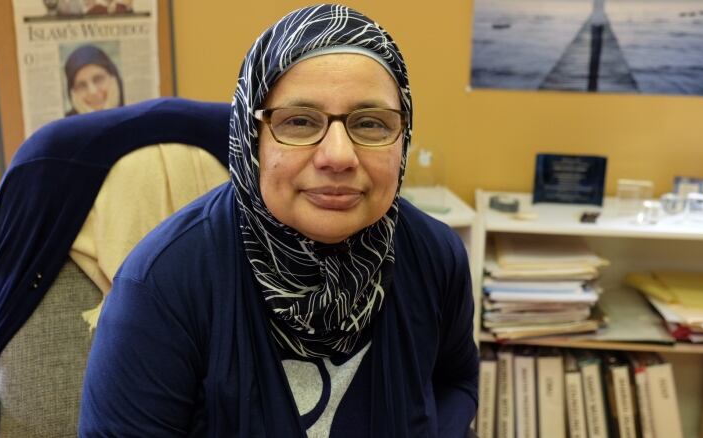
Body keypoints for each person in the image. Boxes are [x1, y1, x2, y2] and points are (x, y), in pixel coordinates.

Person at [79, 4, 478, 436]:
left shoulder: (436, 256)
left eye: (370, 124)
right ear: (252, 141)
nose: (338, 156)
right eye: (300, 122)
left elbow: (456, 382)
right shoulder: (161, 286)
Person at [63, 45, 124, 116]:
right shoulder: (64, 123)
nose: (93, 91)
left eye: (98, 79)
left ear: (114, 79)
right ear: (73, 94)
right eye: (82, 86)